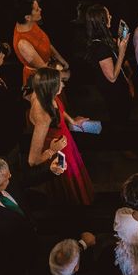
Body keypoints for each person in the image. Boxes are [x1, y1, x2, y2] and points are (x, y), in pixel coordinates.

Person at [28, 68, 94, 205]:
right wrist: (52, 150)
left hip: (64, 139)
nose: (63, 85)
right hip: (59, 150)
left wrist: (72, 121)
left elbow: (58, 110)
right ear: (50, 87)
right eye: (59, 83)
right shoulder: (43, 116)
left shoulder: (45, 93)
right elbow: (32, 160)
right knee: (68, 180)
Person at [84, 5, 132, 123]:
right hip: (113, 90)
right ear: (102, 22)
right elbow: (112, 77)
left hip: (118, 86)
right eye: (108, 15)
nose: (110, 17)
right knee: (120, 116)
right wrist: (122, 51)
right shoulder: (100, 48)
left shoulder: (104, 38)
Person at [13, 0, 70, 86]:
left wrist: (61, 59)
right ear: (27, 17)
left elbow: (46, 43)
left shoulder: (30, 23)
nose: (40, 9)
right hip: (43, 78)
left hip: (51, 67)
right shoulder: (23, 43)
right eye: (36, 9)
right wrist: (64, 75)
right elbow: (44, 69)